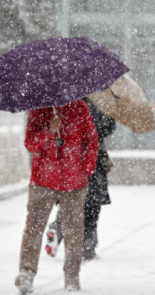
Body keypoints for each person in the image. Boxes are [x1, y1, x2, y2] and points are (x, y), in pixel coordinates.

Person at [15, 100, 99, 294]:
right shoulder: (38, 109)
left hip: (74, 181)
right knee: (34, 227)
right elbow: (30, 143)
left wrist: (85, 169)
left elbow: (91, 141)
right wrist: (48, 131)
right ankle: (26, 273)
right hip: (43, 179)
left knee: (73, 231)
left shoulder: (80, 108)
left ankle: (72, 276)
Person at [45, 98, 117, 261]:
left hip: (69, 158)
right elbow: (106, 129)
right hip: (93, 160)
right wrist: (110, 112)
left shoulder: (63, 102)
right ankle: (87, 248)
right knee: (91, 205)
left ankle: (58, 228)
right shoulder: (99, 103)